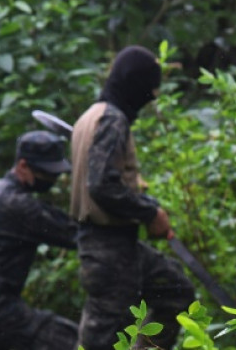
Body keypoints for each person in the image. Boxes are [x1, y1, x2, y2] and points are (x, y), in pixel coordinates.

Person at [70, 45, 195, 350]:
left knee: (177, 292)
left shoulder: (91, 116)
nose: (151, 97)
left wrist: (137, 193)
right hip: (107, 249)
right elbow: (101, 186)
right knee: (101, 341)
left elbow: (102, 179)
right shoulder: (112, 120)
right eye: (148, 90)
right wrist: (150, 213)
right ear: (133, 84)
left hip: (117, 246)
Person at [0, 130, 78, 350]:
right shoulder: (16, 205)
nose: (52, 179)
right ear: (22, 166)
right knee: (80, 343)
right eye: (47, 173)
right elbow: (75, 233)